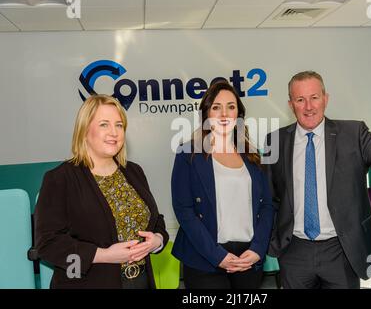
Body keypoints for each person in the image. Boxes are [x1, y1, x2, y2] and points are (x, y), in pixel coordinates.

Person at [265, 71, 371, 289]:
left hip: (341, 250)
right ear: (290, 104)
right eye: (300, 99)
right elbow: (270, 196)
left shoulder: (353, 133)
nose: (308, 106)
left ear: (326, 98)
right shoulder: (275, 141)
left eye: (314, 97)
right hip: (294, 251)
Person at [34, 95, 169, 289]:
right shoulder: (59, 178)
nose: (114, 132)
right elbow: (47, 245)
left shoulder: (134, 172)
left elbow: (156, 222)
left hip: (141, 282)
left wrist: (157, 241)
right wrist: (103, 255)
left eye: (119, 125)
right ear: (84, 130)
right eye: (104, 124)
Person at [171, 81, 274, 289]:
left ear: (239, 114)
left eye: (231, 107)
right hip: (205, 260)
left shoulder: (253, 156)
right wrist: (217, 255)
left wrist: (257, 249)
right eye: (216, 107)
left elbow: (267, 206)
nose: (224, 114)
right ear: (206, 114)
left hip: (248, 259)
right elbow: (184, 211)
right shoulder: (188, 154)